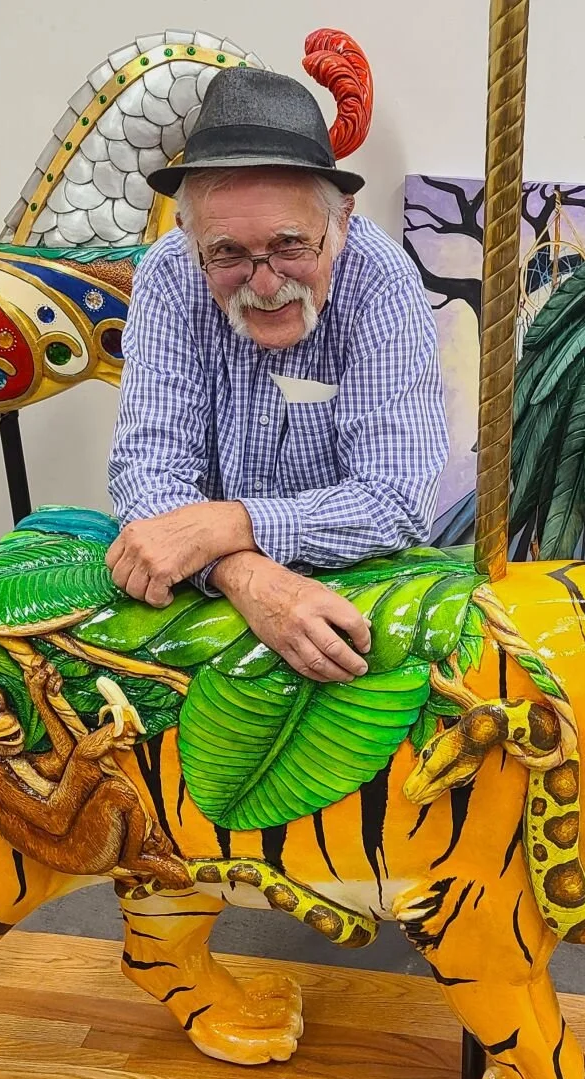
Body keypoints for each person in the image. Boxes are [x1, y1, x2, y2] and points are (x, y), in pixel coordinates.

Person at [106, 67, 449, 684]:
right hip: (210, 592)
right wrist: (245, 573)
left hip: (360, 591)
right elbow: (147, 472)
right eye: (228, 253)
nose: (264, 285)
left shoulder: (384, 284)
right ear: (189, 235)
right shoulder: (167, 274)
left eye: (291, 245)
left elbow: (395, 501)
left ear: (340, 219)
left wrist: (229, 525)